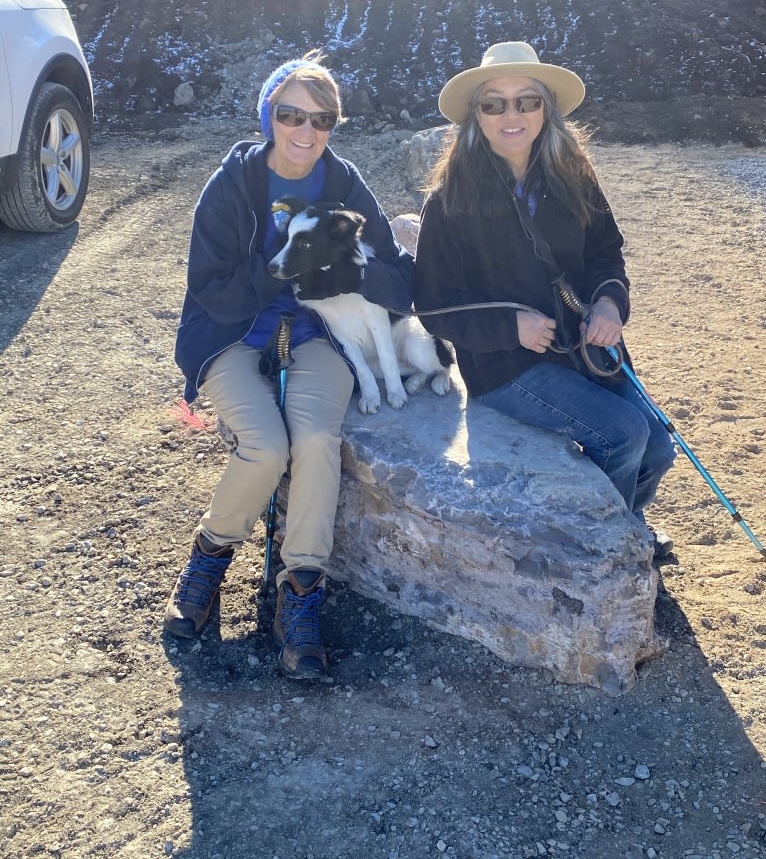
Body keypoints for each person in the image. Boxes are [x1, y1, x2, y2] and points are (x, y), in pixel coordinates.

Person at [164, 50, 415, 678]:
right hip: (231, 334)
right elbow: (211, 290)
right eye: (290, 114)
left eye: (322, 119)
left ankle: (300, 588)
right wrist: (281, 269)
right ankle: (210, 558)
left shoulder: (344, 184)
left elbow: (399, 282)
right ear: (268, 116)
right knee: (265, 446)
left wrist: (348, 270)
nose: (305, 131)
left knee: (316, 439)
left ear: (334, 125)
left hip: (318, 336)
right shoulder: (233, 185)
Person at [414, 41, 676, 557]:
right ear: (476, 116)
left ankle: (621, 529)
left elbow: (606, 251)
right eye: (494, 103)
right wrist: (511, 325)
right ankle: (609, 552)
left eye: (526, 101)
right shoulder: (449, 200)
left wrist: (608, 304)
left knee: (659, 447)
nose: (512, 114)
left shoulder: (573, 176)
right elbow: (436, 303)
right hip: (507, 366)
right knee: (623, 436)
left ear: (545, 109)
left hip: (584, 347)